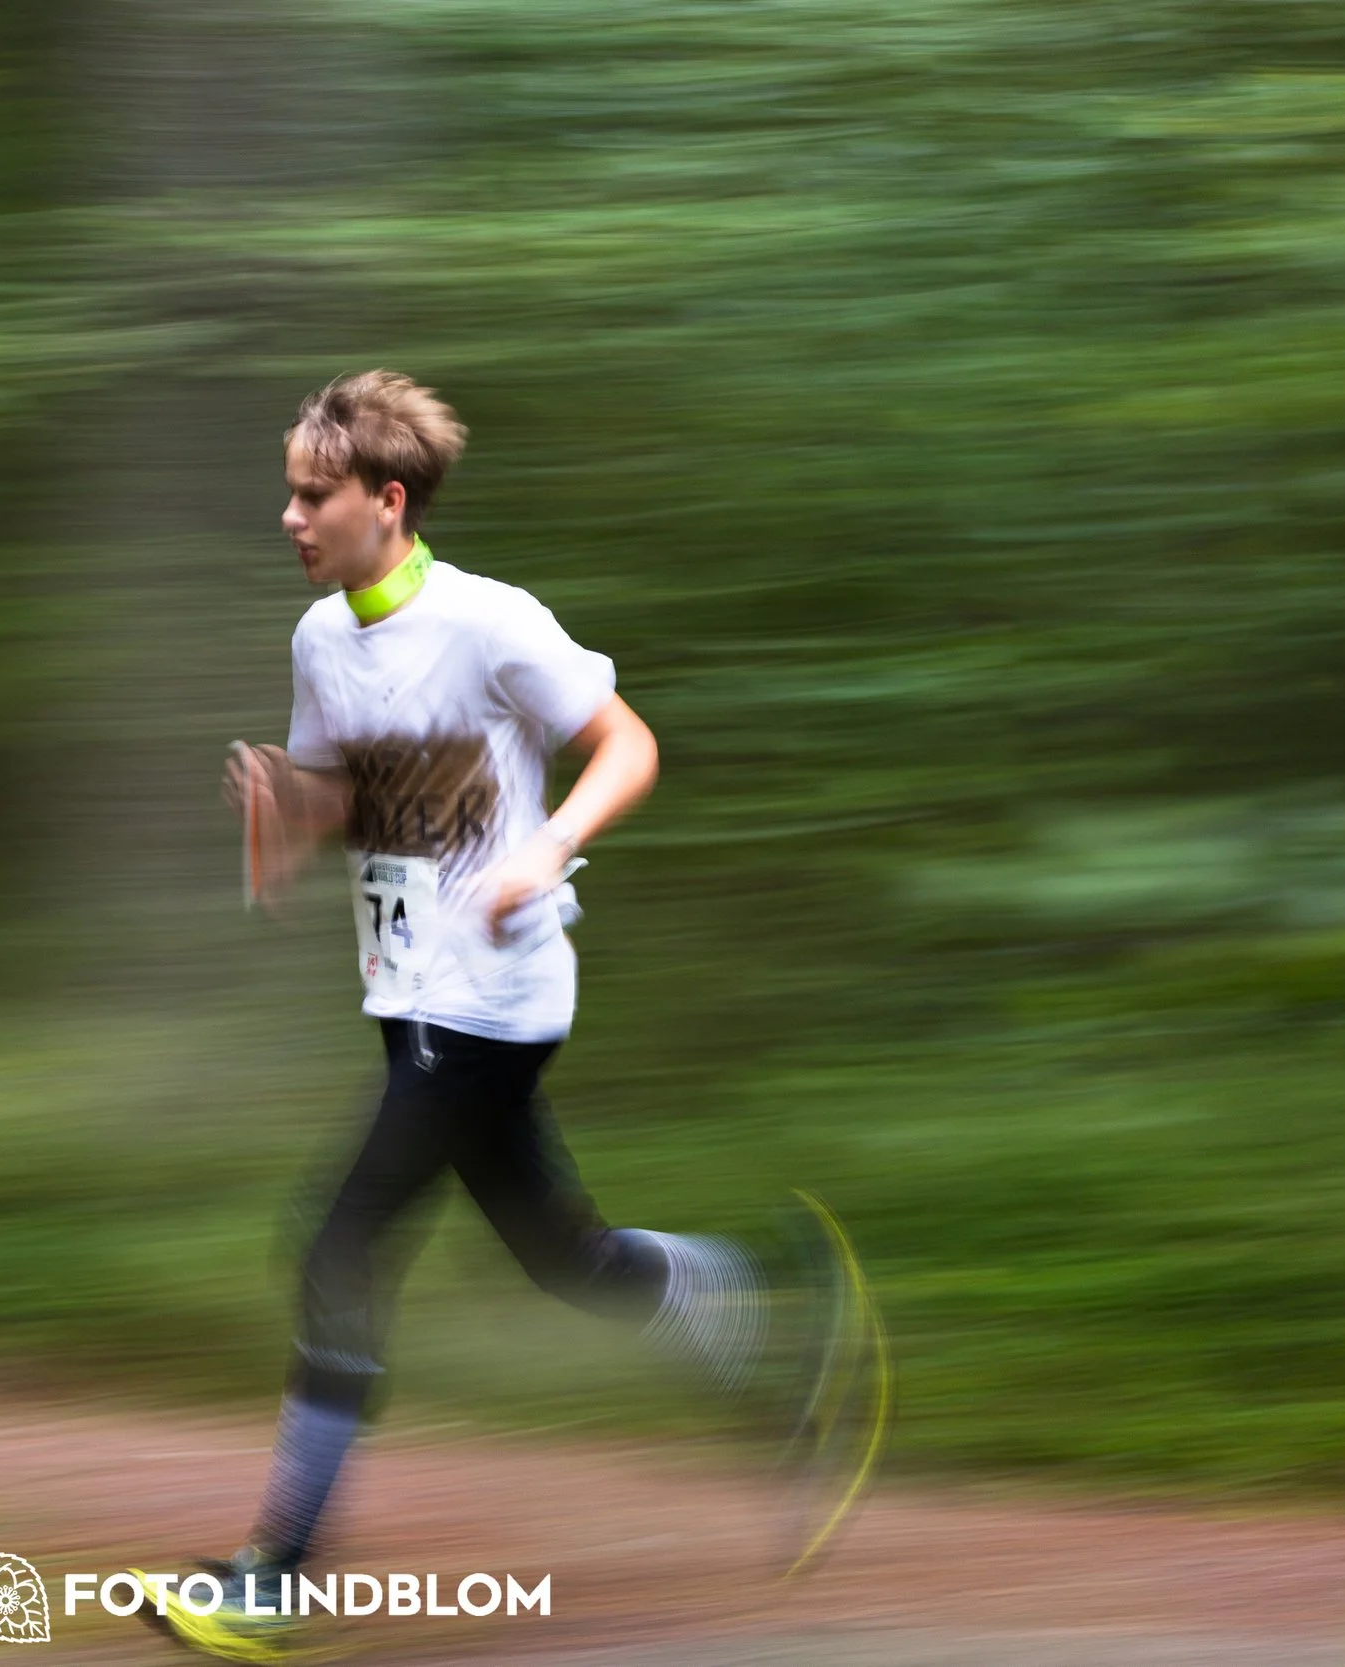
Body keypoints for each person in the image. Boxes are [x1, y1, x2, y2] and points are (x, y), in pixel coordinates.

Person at [143, 371, 884, 1664]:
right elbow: (349, 796)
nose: (289, 516)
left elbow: (629, 743)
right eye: (287, 492)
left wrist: (547, 849)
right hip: (407, 999)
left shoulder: (493, 623)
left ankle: (276, 1573)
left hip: (489, 1000)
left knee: (337, 1244)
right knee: (567, 1259)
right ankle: (777, 1299)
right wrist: (282, 813)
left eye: (313, 495)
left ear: (386, 500)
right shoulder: (323, 639)